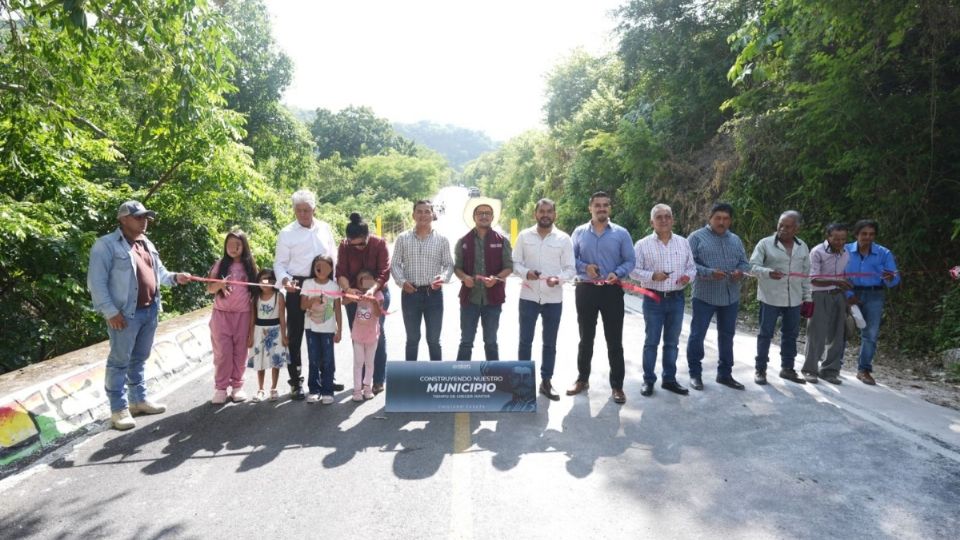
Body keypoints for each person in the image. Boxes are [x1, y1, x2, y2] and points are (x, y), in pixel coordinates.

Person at [87, 200, 191, 430]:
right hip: (125, 314)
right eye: (138, 217)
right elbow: (97, 283)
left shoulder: (146, 243)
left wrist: (175, 277)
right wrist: (111, 312)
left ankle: (138, 400)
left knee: (140, 358)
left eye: (146, 217)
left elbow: (160, 273)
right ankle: (118, 409)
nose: (144, 221)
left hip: (150, 310)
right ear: (123, 219)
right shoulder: (105, 246)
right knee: (119, 361)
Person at [567, 191, 636, 404]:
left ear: (610, 209)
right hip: (585, 290)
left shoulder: (621, 233)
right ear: (590, 208)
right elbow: (571, 259)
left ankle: (617, 386)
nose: (601, 208)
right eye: (597, 205)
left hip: (612, 291)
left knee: (614, 341)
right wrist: (584, 267)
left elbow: (630, 260)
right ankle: (582, 379)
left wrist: (618, 272)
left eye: (605, 205)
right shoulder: (579, 232)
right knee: (585, 338)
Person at [274, 189, 339, 400]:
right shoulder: (286, 233)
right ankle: (296, 381)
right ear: (294, 210)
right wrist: (285, 281)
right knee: (296, 334)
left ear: (314, 209)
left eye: (307, 210)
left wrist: (334, 284)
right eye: (299, 210)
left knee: (324, 329)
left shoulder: (325, 228)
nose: (303, 214)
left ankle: (326, 378)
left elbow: (333, 256)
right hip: (298, 285)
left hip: (324, 284)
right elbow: (280, 264)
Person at [629, 204, 697, 397]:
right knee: (651, 341)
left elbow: (692, 268)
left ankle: (669, 379)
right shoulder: (642, 245)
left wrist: (687, 277)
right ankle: (648, 380)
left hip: (676, 299)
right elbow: (633, 270)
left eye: (668, 216)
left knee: (672, 342)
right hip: (653, 299)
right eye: (659, 217)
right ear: (652, 222)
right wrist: (652, 276)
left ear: (673, 220)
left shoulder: (683, 243)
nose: (664, 220)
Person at [512, 198, 575, 400]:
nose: (545, 214)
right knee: (525, 341)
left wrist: (559, 279)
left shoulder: (564, 239)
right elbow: (515, 263)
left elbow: (570, 269)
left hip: (553, 299)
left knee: (550, 343)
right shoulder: (523, 236)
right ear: (535, 214)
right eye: (542, 211)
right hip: (528, 297)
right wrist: (526, 272)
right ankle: (523, 384)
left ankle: (546, 382)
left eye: (549, 211)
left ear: (555, 215)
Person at [686, 203, 751, 391]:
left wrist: (740, 271)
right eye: (718, 218)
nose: (722, 222)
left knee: (727, 336)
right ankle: (695, 374)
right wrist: (708, 272)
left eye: (726, 219)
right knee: (698, 335)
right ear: (710, 218)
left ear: (730, 220)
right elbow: (688, 264)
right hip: (705, 295)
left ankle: (725, 374)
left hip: (730, 296)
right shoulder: (696, 238)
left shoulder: (735, 240)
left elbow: (744, 263)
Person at [749, 210, 812, 385]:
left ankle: (788, 368)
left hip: (794, 298)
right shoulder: (765, 244)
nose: (783, 229)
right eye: (780, 225)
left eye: (788, 226)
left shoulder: (802, 247)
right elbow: (752, 267)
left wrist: (808, 298)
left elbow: (805, 274)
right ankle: (760, 369)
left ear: (797, 229)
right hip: (770, 298)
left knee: (790, 334)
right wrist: (768, 272)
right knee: (765, 333)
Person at [391, 199, 454, 361]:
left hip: (433, 294)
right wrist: (402, 282)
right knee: (412, 340)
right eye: (419, 211)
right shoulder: (402, 238)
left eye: (427, 211)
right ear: (413, 215)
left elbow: (448, 265)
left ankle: (436, 378)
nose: (423, 215)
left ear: (433, 215)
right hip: (410, 294)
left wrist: (443, 277)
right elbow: (395, 264)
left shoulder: (442, 240)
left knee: (434, 340)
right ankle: (411, 380)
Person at [336, 213, 391, 394]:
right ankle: (361, 380)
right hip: (354, 297)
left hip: (377, 294)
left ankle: (377, 379)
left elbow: (384, 272)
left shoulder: (379, 244)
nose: (358, 248)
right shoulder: (344, 246)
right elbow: (341, 271)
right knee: (358, 336)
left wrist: (372, 290)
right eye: (354, 244)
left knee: (377, 335)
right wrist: (347, 289)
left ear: (368, 236)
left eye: (361, 243)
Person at [454, 197, 513, 361]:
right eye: (480, 213)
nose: (484, 216)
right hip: (469, 300)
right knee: (466, 342)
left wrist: (497, 278)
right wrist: (464, 277)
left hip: (493, 301)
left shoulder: (502, 241)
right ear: (474, 217)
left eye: (488, 213)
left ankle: (493, 380)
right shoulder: (463, 242)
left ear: (492, 217)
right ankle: (461, 379)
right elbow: (456, 267)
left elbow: (509, 267)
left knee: (491, 342)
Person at [845, 219, 900, 385]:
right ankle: (834, 366)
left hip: (875, 295)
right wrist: (848, 294)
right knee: (841, 330)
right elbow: (837, 274)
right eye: (864, 234)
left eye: (871, 234)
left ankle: (864, 370)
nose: (867, 237)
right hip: (849, 294)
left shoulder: (884, 253)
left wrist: (891, 278)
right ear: (856, 234)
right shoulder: (845, 250)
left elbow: (895, 279)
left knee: (870, 334)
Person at [206, 230, 258, 404]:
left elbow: (256, 292)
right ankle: (221, 388)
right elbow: (209, 289)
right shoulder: (220, 264)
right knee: (223, 353)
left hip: (243, 315)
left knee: (240, 352)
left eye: (237, 244)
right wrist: (219, 285)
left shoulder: (250, 266)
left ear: (244, 246)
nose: (233, 248)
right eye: (229, 244)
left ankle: (237, 386)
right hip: (221, 315)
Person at [802, 223, 852, 385]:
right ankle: (810, 370)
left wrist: (846, 291)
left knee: (838, 335)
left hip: (838, 296)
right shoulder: (817, 252)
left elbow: (844, 275)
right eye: (836, 238)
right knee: (817, 333)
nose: (839, 242)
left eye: (843, 239)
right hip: (819, 295)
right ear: (828, 236)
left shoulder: (846, 253)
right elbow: (813, 278)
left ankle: (830, 370)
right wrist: (837, 281)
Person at [300, 255, 342, 403]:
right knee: (313, 359)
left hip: (328, 329)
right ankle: (313, 389)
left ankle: (327, 391)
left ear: (331, 269)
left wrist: (340, 330)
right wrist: (312, 300)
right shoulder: (307, 283)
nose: (321, 269)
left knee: (328, 360)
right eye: (318, 265)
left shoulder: (334, 286)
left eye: (325, 266)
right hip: (310, 328)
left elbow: (337, 309)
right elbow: (302, 306)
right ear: (313, 267)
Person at [247, 268, 289, 402]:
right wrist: (250, 336)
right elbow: (252, 319)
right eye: (263, 280)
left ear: (275, 282)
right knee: (260, 362)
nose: (267, 283)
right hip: (259, 331)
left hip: (275, 331)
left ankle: (274, 388)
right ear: (258, 281)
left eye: (271, 280)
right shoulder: (255, 298)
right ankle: (260, 389)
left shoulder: (279, 296)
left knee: (275, 361)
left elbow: (282, 317)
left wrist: (284, 335)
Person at [349, 269, 383, 402]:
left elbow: (378, 313)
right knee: (358, 363)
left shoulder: (379, 295)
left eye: (368, 280)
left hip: (371, 336)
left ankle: (367, 387)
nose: (365, 283)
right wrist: (352, 294)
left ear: (373, 281)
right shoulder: (357, 294)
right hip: (357, 335)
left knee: (369, 363)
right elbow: (344, 301)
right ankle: (357, 390)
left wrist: (373, 300)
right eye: (361, 280)